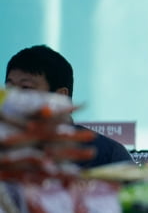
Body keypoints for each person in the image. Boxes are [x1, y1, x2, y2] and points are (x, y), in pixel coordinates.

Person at [5, 45, 133, 167]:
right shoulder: (4, 150)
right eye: (9, 88)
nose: (12, 98)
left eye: (26, 88)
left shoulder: (108, 155)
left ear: (60, 97)